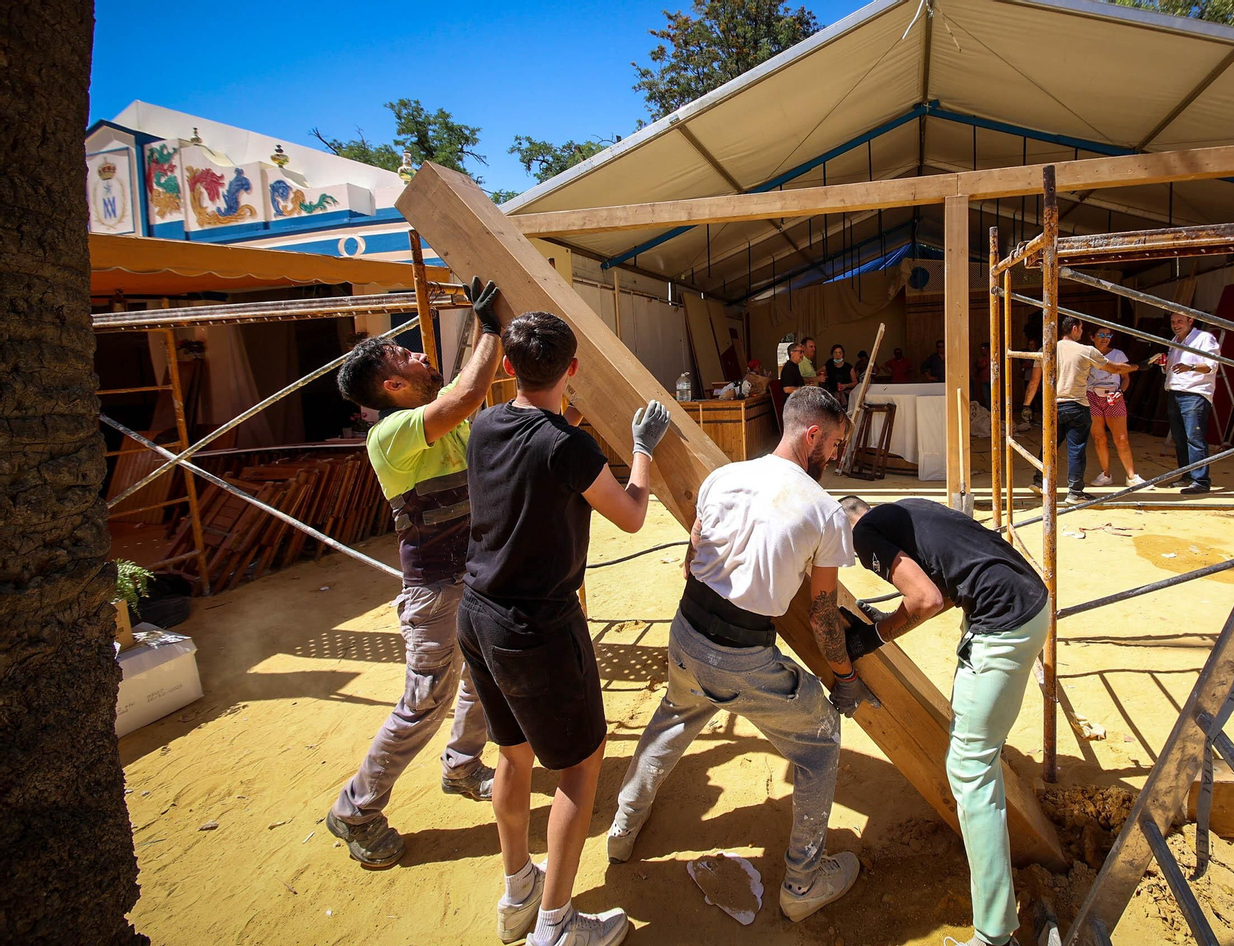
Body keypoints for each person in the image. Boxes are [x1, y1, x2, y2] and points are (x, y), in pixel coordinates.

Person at [607, 387, 876, 924]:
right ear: (813, 434)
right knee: (820, 741)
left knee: (674, 718)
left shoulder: (722, 478)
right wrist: (843, 677)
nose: (836, 456)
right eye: (835, 444)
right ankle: (803, 880)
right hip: (743, 656)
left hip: (685, 634)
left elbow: (692, 561)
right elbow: (824, 617)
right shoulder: (823, 511)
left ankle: (623, 826)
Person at [456, 310, 672, 946]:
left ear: (507, 368)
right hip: (537, 626)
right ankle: (555, 926)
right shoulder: (568, 448)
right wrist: (642, 449)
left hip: (478, 612)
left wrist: (571, 428)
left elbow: (541, 451)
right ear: (572, 370)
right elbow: (632, 514)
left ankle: (518, 886)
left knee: (513, 754)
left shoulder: (487, 424)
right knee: (579, 767)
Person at [325, 276, 504, 869]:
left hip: (471, 578)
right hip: (434, 591)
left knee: (481, 676)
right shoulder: (390, 434)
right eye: (406, 355)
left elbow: (466, 394)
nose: (423, 356)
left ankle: (462, 765)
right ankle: (355, 809)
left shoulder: (437, 421)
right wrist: (493, 327)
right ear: (392, 385)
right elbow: (465, 394)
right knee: (425, 700)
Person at [835, 496, 1049, 946]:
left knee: (969, 768)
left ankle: (995, 935)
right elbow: (948, 585)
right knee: (975, 754)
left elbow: (927, 599)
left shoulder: (864, 532)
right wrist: (887, 620)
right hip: (1029, 600)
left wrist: (871, 636)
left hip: (1004, 622)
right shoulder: (909, 509)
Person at [1021, 318, 1136, 502]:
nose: (1082, 333)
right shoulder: (1086, 350)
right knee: (1076, 449)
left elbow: (1034, 381)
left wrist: (1027, 405)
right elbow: (1114, 369)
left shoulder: (1046, 349)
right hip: (1076, 405)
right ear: (1074, 329)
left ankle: (1039, 480)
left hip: (1052, 407)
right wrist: (1140, 366)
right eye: (1081, 329)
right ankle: (1075, 492)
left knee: (1049, 445)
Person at [1163, 312, 1221, 495]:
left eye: (1180, 321)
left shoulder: (1204, 338)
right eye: (1173, 322)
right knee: (1180, 439)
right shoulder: (1174, 341)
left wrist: (1191, 367)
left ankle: (1201, 481)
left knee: (1194, 438)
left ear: (1191, 320)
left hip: (1194, 394)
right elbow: (1169, 370)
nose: (1176, 325)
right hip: (1175, 392)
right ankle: (1186, 476)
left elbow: (1212, 365)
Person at [1085, 327, 1143, 487]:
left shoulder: (1118, 354)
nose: (1105, 338)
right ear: (1092, 337)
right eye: (1101, 335)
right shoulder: (1087, 353)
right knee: (1099, 438)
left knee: (1121, 439)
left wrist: (1120, 392)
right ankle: (1105, 474)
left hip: (1113, 397)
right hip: (1092, 397)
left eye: (1108, 335)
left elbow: (1125, 378)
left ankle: (1131, 476)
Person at [972, 342, 993, 410]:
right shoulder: (981, 358)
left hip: (992, 380)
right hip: (984, 380)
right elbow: (979, 366)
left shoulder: (993, 356)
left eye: (983, 348)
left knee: (994, 396)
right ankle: (989, 411)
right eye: (981, 349)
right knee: (986, 397)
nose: (982, 350)